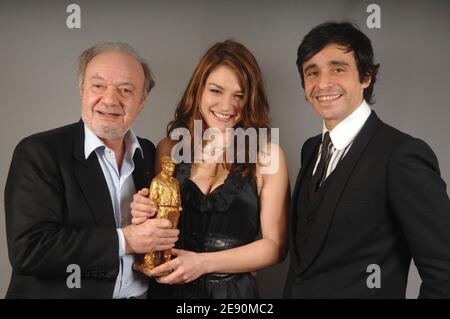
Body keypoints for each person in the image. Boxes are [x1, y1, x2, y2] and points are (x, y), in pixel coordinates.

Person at [283, 22, 450, 298]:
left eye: (338, 69)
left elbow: (445, 272)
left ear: (366, 77)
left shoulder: (402, 155)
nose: (323, 83)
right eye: (312, 72)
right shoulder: (310, 149)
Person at [4, 42, 179, 298]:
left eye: (126, 90)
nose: (110, 99)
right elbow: (30, 250)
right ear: (82, 90)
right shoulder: (39, 152)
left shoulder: (148, 154)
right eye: (98, 86)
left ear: (142, 101)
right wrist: (127, 240)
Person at [130, 39, 289, 298]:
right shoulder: (168, 149)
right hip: (170, 290)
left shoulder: (268, 155)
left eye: (239, 95)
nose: (227, 106)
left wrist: (203, 263)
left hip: (233, 295)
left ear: (251, 99)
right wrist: (140, 212)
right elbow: (154, 227)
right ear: (199, 90)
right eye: (216, 91)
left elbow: (275, 246)